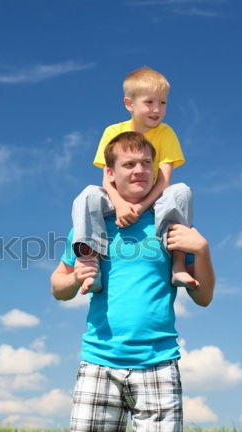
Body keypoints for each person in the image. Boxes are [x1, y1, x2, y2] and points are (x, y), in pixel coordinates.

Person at [51, 131, 215, 432]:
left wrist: (202, 251)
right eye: (129, 164)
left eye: (146, 163)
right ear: (110, 173)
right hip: (99, 363)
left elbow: (204, 298)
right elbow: (58, 285)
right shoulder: (93, 225)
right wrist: (76, 279)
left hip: (158, 365)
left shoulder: (172, 224)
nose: (139, 170)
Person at [72, 67, 197, 294]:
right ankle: (90, 264)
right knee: (89, 193)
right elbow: (106, 178)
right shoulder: (113, 131)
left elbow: (164, 181)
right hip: (116, 200)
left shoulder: (166, 133)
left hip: (154, 201)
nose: (157, 109)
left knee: (181, 191)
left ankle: (178, 263)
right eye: (149, 102)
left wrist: (138, 208)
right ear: (129, 104)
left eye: (163, 103)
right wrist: (120, 205)